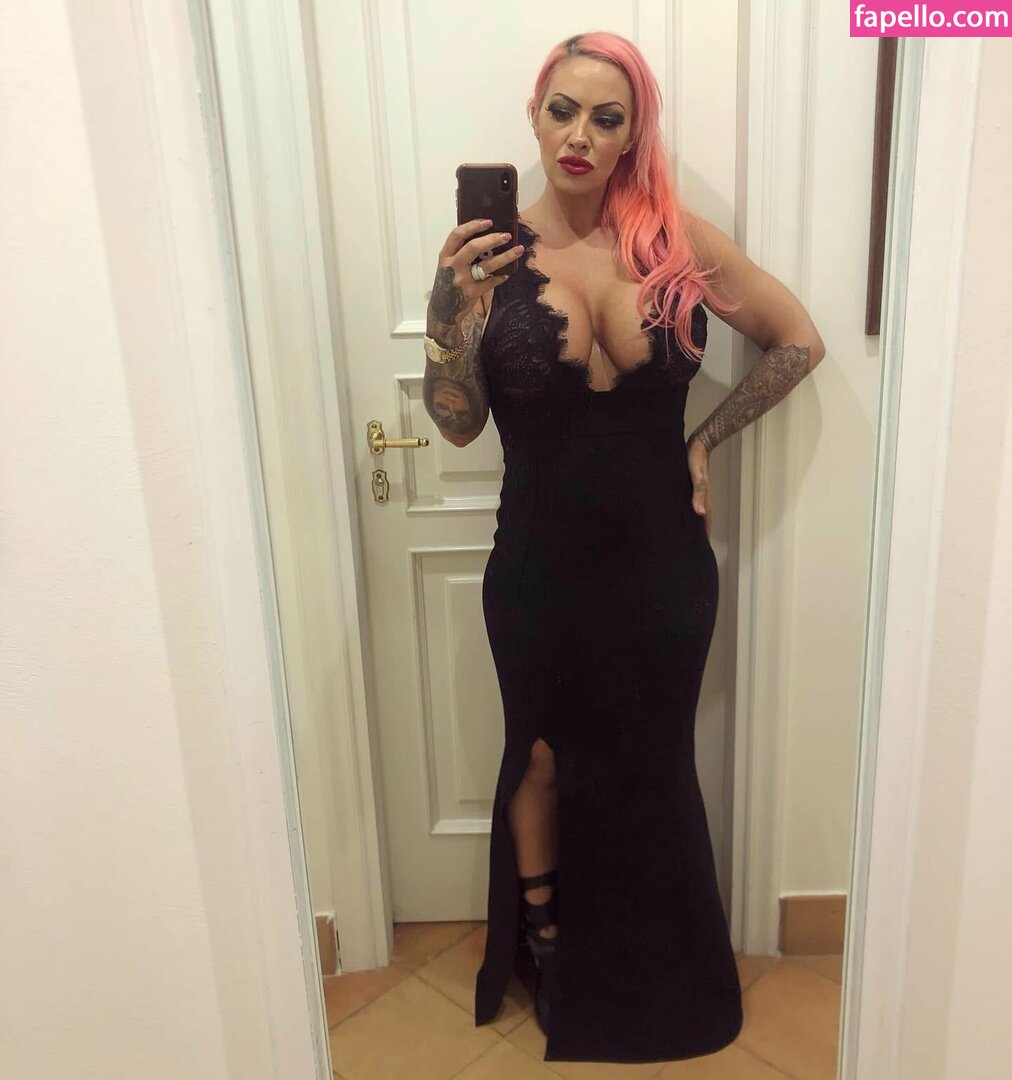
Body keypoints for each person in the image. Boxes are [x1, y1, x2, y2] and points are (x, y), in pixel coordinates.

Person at [422, 30, 825, 1065]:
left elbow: (798, 340)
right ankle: (551, 942)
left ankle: (655, 964)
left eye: (608, 118)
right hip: (537, 565)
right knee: (540, 753)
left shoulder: (675, 246)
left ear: (632, 133)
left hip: (661, 566)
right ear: (534, 114)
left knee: (650, 760)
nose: (580, 135)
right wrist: (449, 314)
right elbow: (456, 425)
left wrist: (705, 438)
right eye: (563, 110)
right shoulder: (488, 257)